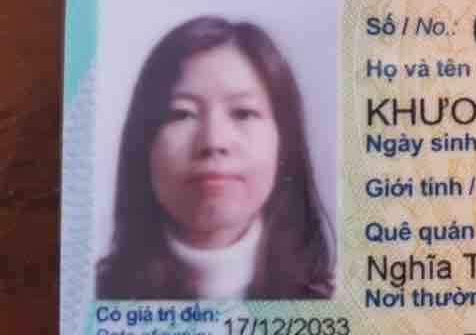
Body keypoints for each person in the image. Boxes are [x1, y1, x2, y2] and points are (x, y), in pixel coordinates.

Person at [96, 16, 335, 299]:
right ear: (143, 143)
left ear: (284, 141)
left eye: (243, 113)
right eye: (182, 114)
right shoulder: (90, 300)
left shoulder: (333, 304)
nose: (213, 141)